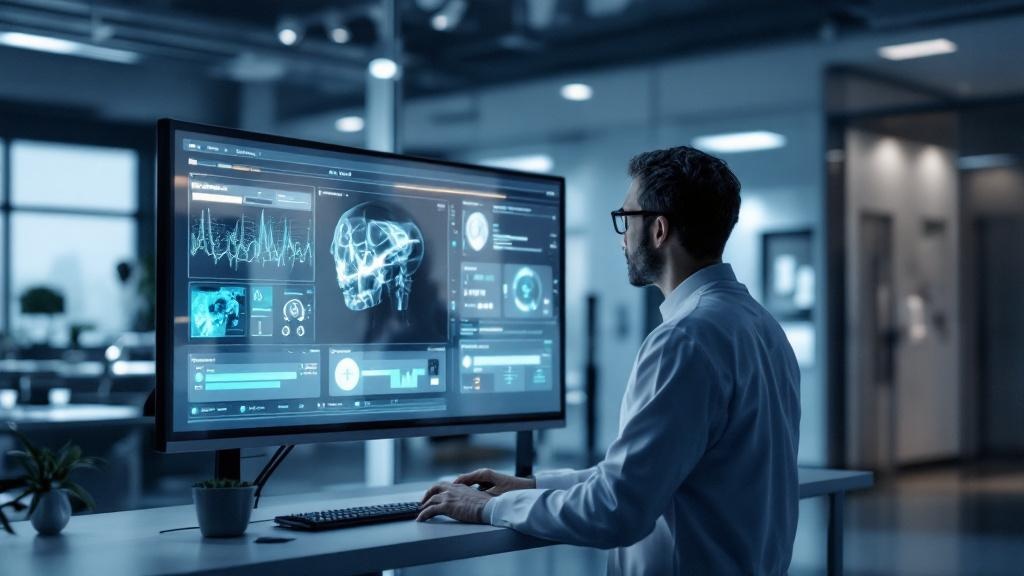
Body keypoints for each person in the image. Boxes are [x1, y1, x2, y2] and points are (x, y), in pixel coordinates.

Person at [418, 146, 801, 575]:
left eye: (626, 219)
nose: (621, 237)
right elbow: (646, 475)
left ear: (658, 229)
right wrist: (533, 485)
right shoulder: (761, 326)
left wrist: (491, 508)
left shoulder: (685, 339)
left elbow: (617, 510)